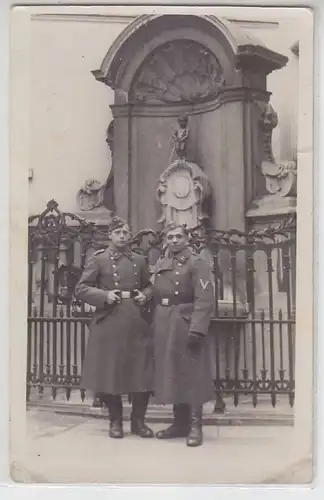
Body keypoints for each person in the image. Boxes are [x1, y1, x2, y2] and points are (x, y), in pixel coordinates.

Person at [74, 216, 154, 439]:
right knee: (111, 374)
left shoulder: (139, 260)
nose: (122, 236)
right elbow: (80, 289)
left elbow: (150, 286)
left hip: (136, 321)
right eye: (118, 232)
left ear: (130, 236)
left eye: (125, 232)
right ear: (110, 235)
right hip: (109, 320)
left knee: (142, 373)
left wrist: (145, 295)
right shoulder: (98, 259)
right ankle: (115, 421)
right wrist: (103, 295)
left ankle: (139, 423)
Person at [151, 222, 215, 447]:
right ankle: (179, 423)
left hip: (186, 321)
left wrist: (197, 328)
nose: (175, 240)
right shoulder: (162, 261)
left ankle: (196, 426)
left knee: (192, 373)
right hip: (166, 322)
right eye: (170, 237)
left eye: (179, 236)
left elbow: (205, 298)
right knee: (174, 372)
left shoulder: (198, 262)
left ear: (187, 238)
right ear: (166, 240)